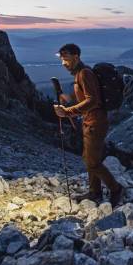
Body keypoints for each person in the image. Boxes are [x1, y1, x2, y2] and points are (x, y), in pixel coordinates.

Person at [53, 43, 124, 206]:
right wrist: (69, 98)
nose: (63, 63)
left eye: (66, 59)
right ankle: (95, 192)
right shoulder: (80, 73)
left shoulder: (84, 73)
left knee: (92, 162)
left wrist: (67, 112)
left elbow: (93, 100)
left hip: (96, 123)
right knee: (89, 158)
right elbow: (85, 94)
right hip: (90, 121)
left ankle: (116, 189)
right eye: (62, 60)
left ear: (76, 57)